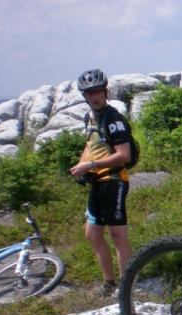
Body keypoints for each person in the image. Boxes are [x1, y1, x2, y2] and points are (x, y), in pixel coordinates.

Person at [69, 68, 133, 297]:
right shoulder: (90, 117)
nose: (94, 96)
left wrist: (91, 166)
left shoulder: (113, 118)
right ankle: (109, 282)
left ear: (105, 92)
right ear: (84, 96)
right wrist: (81, 165)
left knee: (118, 235)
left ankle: (126, 286)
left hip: (114, 181)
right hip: (97, 182)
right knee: (92, 234)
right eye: (89, 93)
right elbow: (91, 146)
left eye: (97, 92)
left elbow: (123, 155)